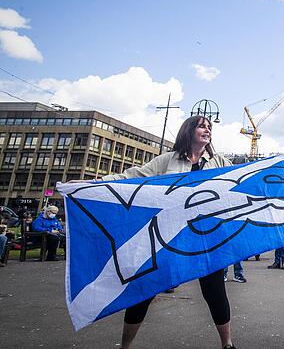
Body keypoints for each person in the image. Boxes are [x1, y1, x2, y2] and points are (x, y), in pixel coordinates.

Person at [100, 115, 236, 349]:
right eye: (202, 126)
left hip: (205, 236)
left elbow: (241, 180)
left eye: (209, 127)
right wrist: (97, 182)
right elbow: (133, 176)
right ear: (188, 131)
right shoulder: (167, 161)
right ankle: (125, 346)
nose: (207, 130)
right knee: (146, 288)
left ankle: (228, 344)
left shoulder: (219, 161)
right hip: (169, 233)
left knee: (214, 291)